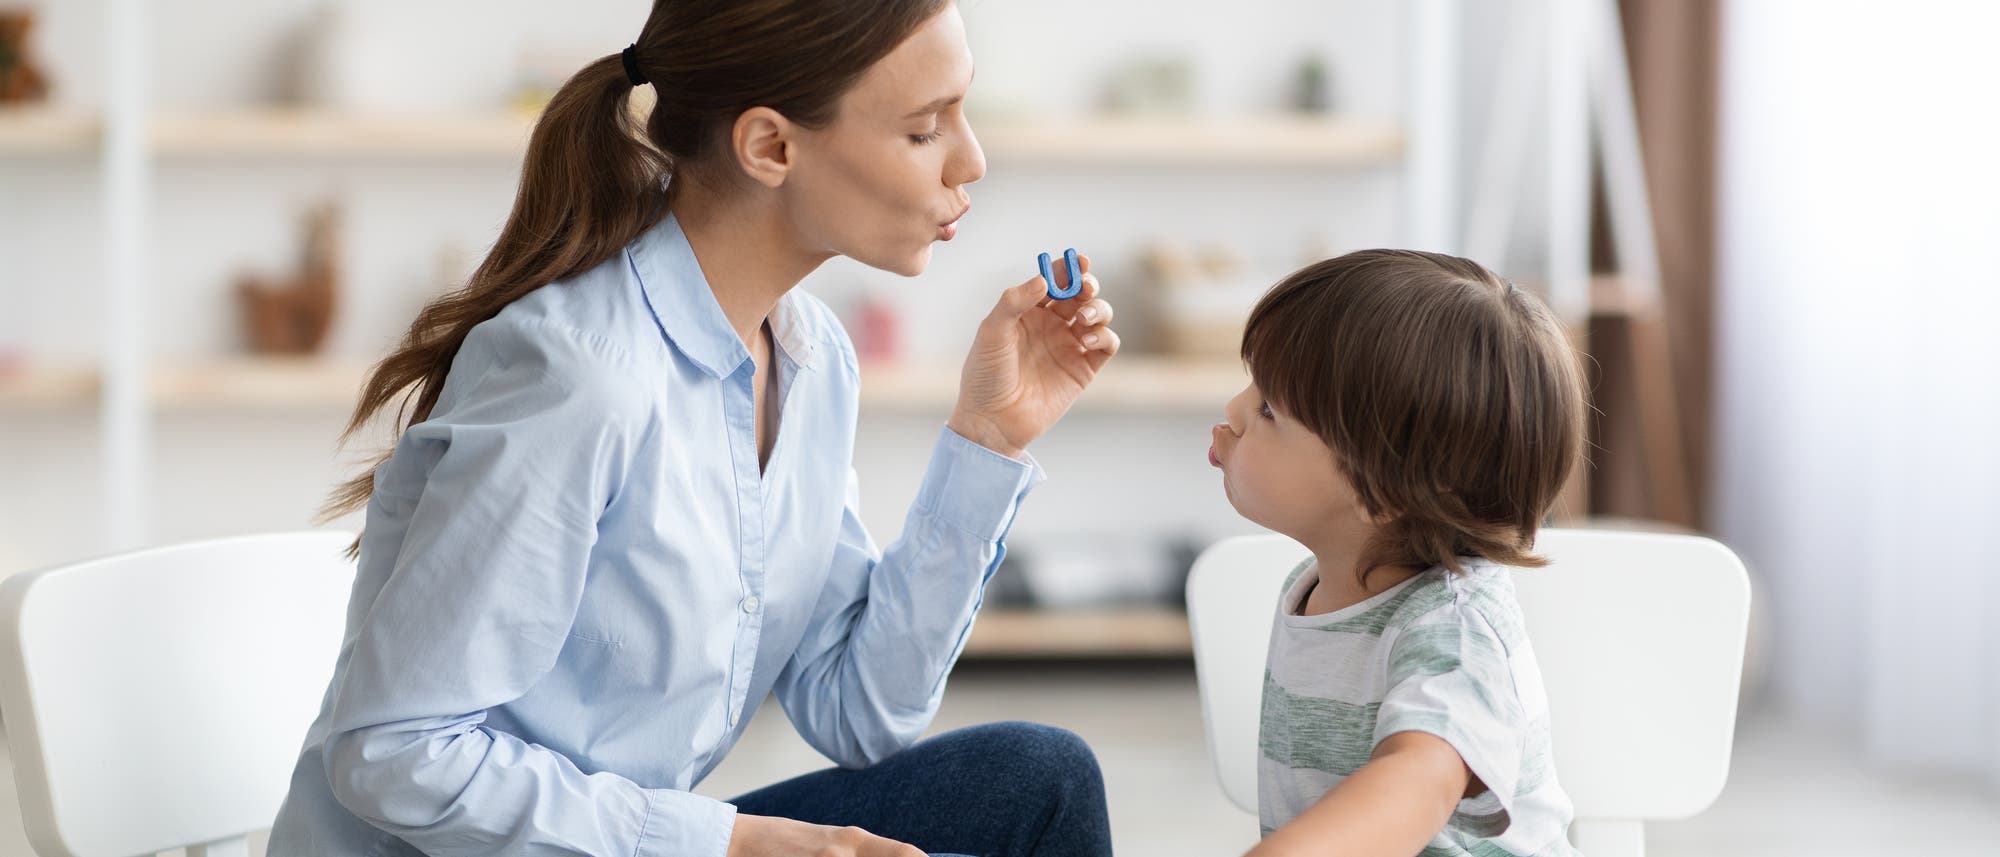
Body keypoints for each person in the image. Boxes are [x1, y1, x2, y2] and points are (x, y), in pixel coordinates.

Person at [268, 2, 1120, 855]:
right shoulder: (578, 375)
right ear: (770, 147)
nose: (972, 160)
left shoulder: (813, 360)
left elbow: (859, 709)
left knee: (1041, 778)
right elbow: (391, 752)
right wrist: (731, 842)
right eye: (925, 129)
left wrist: (988, 439)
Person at [1206, 250, 1587, 856]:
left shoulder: (1456, 634)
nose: (1234, 409)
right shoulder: (1321, 583)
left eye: (1270, 408)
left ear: (1380, 490)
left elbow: (1418, 781)